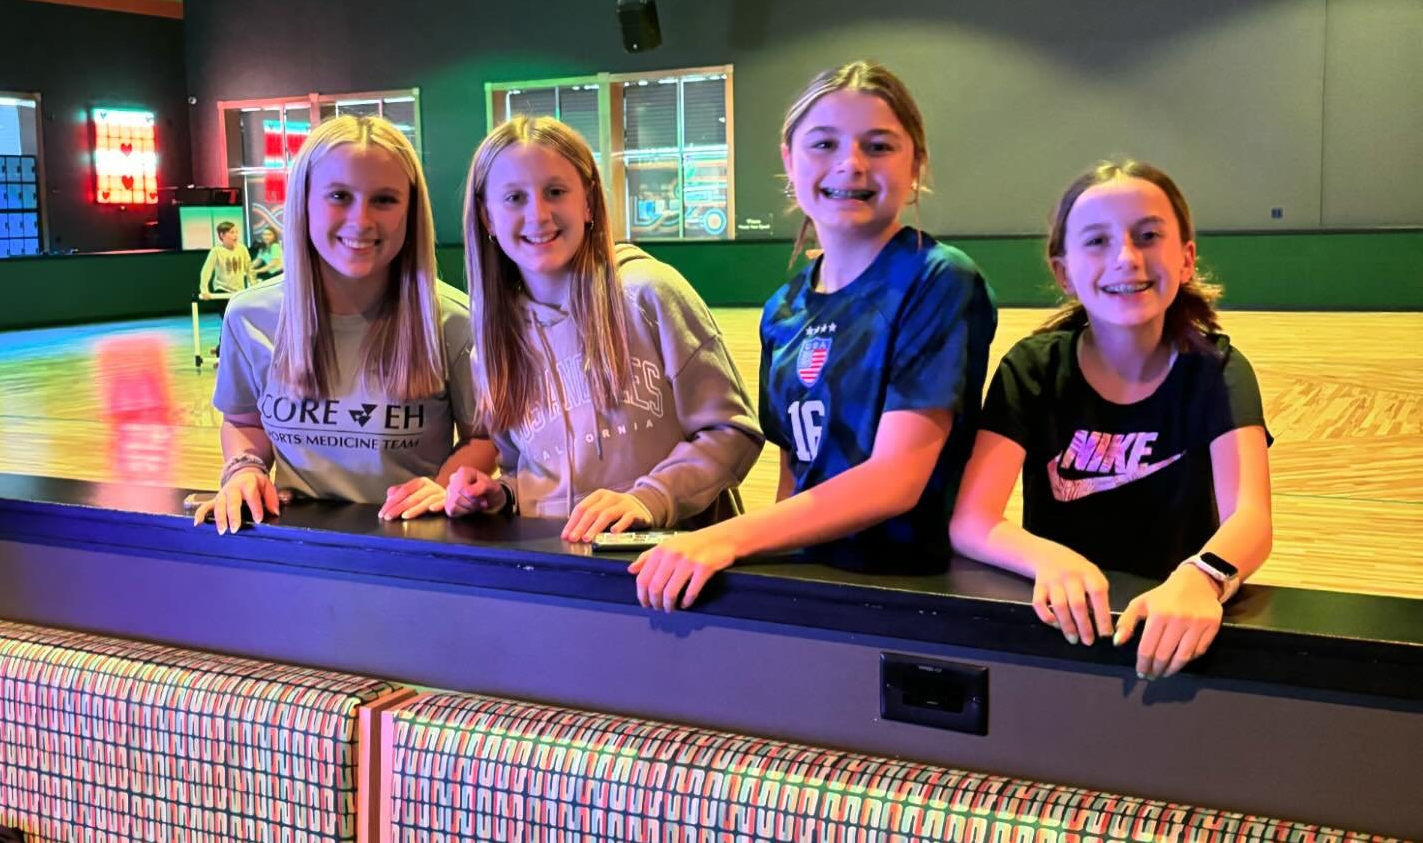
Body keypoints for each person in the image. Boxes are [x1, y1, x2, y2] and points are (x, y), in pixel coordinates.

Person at [628, 61, 996, 610]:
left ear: (916, 162)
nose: (851, 164)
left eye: (879, 146)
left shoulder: (938, 279)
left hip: (907, 594)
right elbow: (794, 472)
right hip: (810, 591)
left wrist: (726, 537)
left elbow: (896, 479)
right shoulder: (783, 309)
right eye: (824, 144)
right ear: (789, 160)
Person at [948, 159, 1273, 679]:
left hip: (1172, 627)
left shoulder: (1216, 370)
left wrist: (1202, 577)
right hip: (1065, 626)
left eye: (1148, 236)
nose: (1126, 258)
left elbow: (1251, 519)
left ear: (1186, 259)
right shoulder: (1032, 369)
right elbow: (972, 521)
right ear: (1063, 272)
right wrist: (1049, 560)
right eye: (1097, 241)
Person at [444, 116, 762, 541]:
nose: (538, 214)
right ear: (487, 217)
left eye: (555, 192)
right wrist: (500, 494)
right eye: (514, 198)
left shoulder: (649, 292)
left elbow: (734, 432)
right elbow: (528, 472)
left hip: (669, 563)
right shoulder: (492, 343)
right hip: (561, 565)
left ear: (588, 202)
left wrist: (651, 498)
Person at [194, 114, 495, 534]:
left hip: (413, 544)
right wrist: (244, 469)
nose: (361, 220)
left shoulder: (454, 321)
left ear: (411, 212)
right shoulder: (250, 316)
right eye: (339, 196)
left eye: (385, 200)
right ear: (304, 202)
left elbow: (484, 437)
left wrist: (444, 487)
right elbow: (244, 421)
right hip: (295, 548)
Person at [198, 219, 254, 297]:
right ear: (222, 235)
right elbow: (206, 271)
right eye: (232, 232)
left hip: (239, 291)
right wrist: (204, 290)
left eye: (236, 232)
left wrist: (254, 286)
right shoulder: (216, 251)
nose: (235, 235)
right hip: (221, 290)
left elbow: (249, 269)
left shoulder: (242, 249)